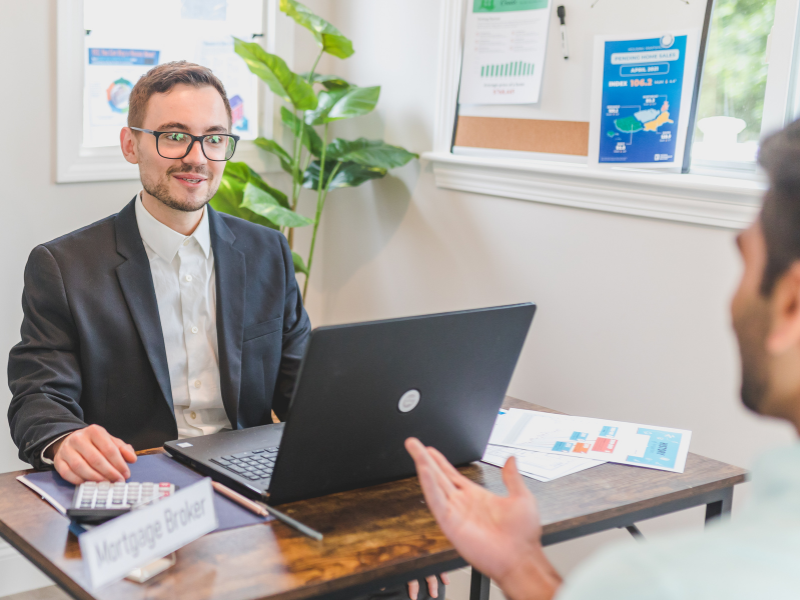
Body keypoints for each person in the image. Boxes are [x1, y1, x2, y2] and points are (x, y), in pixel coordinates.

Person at [8, 60, 444, 600]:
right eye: (174, 137)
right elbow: (37, 396)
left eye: (214, 139)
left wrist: (390, 505)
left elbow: (307, 391)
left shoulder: (267, 252)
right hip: (145, 493)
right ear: (131, 144)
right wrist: (66, 438)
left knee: (389, 580)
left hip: (252, 488)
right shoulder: (64, 265)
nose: (197, 158)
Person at [405, 119, 800, 599]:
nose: (733, 298)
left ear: (790, 305)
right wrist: (519, 561)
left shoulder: (657, 583)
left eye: (744, 261)